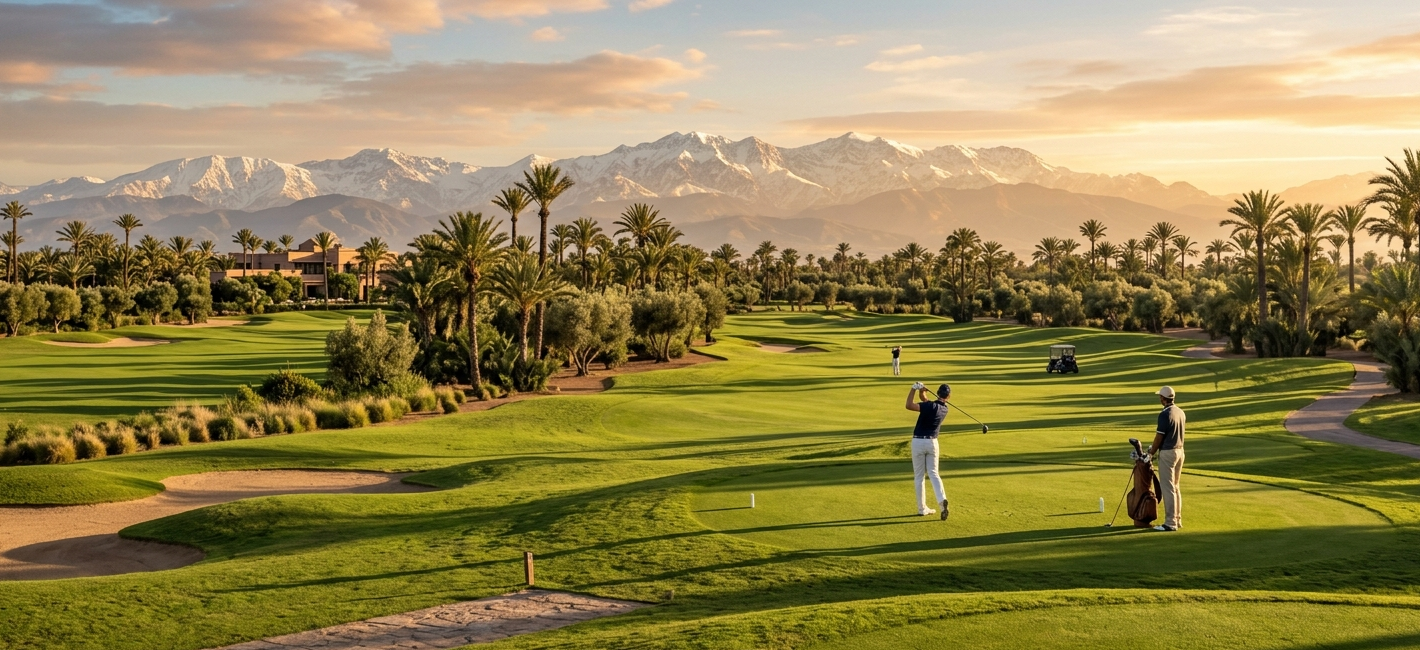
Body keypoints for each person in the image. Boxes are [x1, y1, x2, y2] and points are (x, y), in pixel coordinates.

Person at [905, 382, 950, 520]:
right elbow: (926, 400)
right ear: (948, 397)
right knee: (934, 473)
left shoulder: (928, 406)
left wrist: (913, 389)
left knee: (919, 477)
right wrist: (922, 391)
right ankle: (942, 501)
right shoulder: (944, 409)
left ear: (938, 393)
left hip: (918, 442)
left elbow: (909, 405)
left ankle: (922, 508)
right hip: (932, 443)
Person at [1146, 386, 1185, 531]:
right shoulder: (1180, 412)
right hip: (1180, 451)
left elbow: (1159, 437)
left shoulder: (1164, 414)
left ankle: (1170, 523)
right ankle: (1177, 519)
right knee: (1175, 486)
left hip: (1168, 453)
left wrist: (1151, 453)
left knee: (1167, 488)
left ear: (1163, 398)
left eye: (1160, 397)